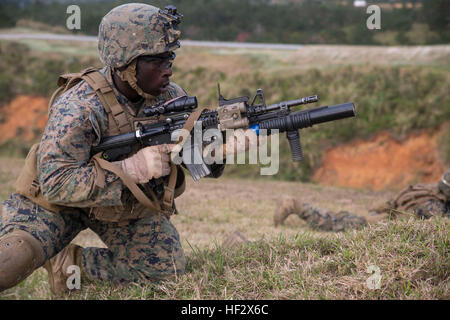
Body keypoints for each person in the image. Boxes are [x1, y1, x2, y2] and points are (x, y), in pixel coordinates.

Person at [0, 3, 251, 296]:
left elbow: (192, 157)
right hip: (56, 204)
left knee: (165, 270)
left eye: (170, 57)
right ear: (126, 63)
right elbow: (56, 182)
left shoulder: (170, 99)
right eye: (157, 61)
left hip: (121, 205)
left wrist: (221, 151)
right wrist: (132, 169)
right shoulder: (79, 107)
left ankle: (70, 266)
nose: (168, 69)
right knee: (10, 260)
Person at [273, 171, 450, 232]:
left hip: (379, 217)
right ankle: (294, 205)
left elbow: (393, 201)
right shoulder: (433, 206)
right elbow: (440, 225)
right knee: (330, 222)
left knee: (338, 218)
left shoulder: (427, 189)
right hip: (375, 225)